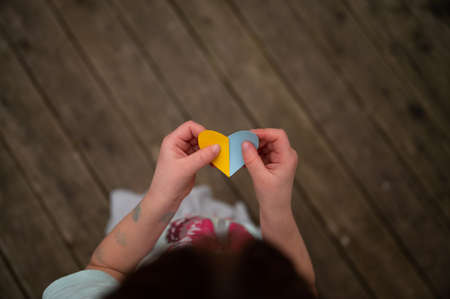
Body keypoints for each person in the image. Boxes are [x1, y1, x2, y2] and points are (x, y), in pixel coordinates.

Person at [43, 121, 317, 298]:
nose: (215, 241)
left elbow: (106, 266)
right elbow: (303, 285)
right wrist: (276, 207)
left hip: (149, 239)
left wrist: (161, 198)